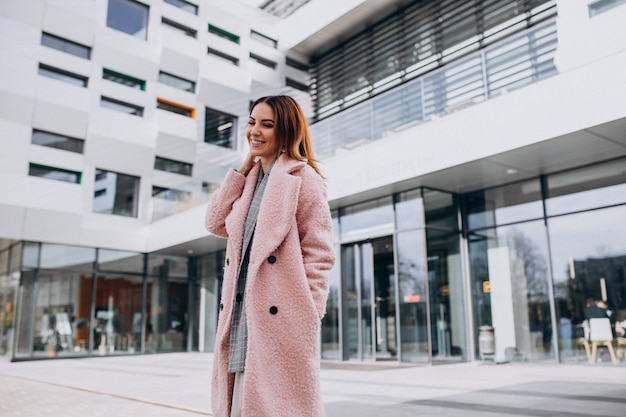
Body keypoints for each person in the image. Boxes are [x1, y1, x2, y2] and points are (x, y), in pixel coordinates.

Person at [205, 95, 335, 417]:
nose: (255, 132)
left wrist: (307, 311)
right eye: (251, 122)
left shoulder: (302, 179)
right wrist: (242, 169)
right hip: (241, 315)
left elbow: (319, 252)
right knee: (239, 404)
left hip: (281, 320)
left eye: (267, 124)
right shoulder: (249, 180)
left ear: (286, 131)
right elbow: (214, 222)